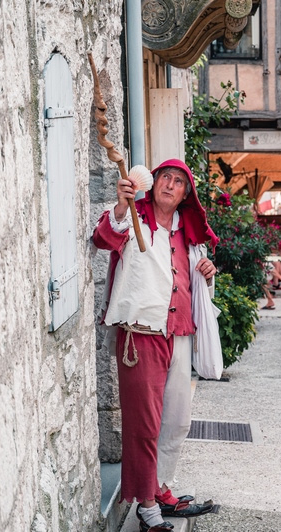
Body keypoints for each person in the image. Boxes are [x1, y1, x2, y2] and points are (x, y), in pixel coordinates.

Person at [92, 159, 219, 531]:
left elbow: (192, 279)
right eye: (166, 177)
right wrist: (120, 203)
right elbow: (103, 238)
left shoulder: (185, 232)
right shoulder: (134, 216)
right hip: (141, 334)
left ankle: (160, 487)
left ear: (184, 195)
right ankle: (147, 506)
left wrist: (208, 271)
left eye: (179, 182)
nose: (170, 185)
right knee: (144, 423)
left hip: (178, 332)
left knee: (176, 420)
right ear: (155, 183)